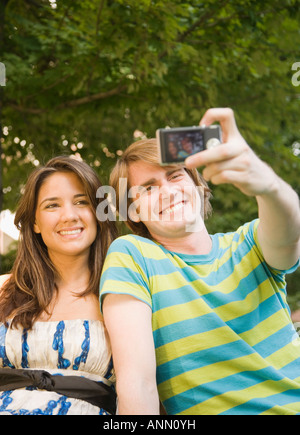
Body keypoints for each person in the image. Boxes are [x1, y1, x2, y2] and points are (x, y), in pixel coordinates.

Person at [100, 108, 300, 415]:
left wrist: (269, 186)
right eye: (148, 188)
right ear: (134, 212)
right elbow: (137, 385)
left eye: (175, 175)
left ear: (197, 185)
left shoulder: (249, 243)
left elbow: (288, 233)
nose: (167, 192)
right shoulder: (133, 257)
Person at [0, 156, 118, 415]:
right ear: (35, 223)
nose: (69, 216)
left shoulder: (122, 293)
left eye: (81, 202)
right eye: (52, 205)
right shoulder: (3, 290)